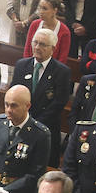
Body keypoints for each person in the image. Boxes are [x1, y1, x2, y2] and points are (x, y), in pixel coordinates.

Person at [13, 27, 72, 163]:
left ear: (53, 49)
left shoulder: (62, 71)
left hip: (46, 128)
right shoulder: (22, 65)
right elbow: (14, 93)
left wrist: (33, 123)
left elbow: (59, 102)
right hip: (20, 125)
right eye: (35, 43)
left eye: (43, 44)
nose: (37, 47)